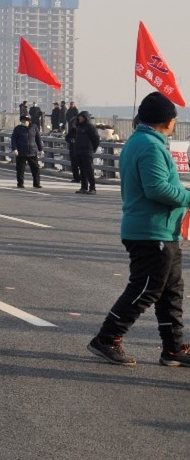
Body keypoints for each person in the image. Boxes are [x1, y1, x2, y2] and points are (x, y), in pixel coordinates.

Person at [87, 92, 190, 367]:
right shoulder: (150, 146)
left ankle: (173, 348)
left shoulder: (142, 141)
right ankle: (107, 338)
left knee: (171, 291)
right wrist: (188, 196)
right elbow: (156, 188)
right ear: (167, 121)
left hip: (165, 231)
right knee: (146, 289)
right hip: (150, 231)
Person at [66, 110, 101, 194]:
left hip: (87, 152)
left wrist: (93, 149)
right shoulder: (78, 127)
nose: (79, 118)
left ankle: (92, 188)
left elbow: (96, 139)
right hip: (79, 152)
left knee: (89, 170)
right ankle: (84, 187)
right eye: (79, 117)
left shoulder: (90, 127)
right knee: (82, 170)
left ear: (86, 118)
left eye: (81, 117)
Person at [11, 114, 43, 189]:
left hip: (32, 152)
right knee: (20, 169)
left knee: (35, 169)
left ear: (29, 120)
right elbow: (13, 139)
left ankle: (36, 183)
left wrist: (40, 149)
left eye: (26, 120)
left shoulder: (34, 127)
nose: (24, 121)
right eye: (23, 120)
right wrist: (14, 149)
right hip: (21, 152)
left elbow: (38, 138)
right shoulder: (18, 128)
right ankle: (20, 183)